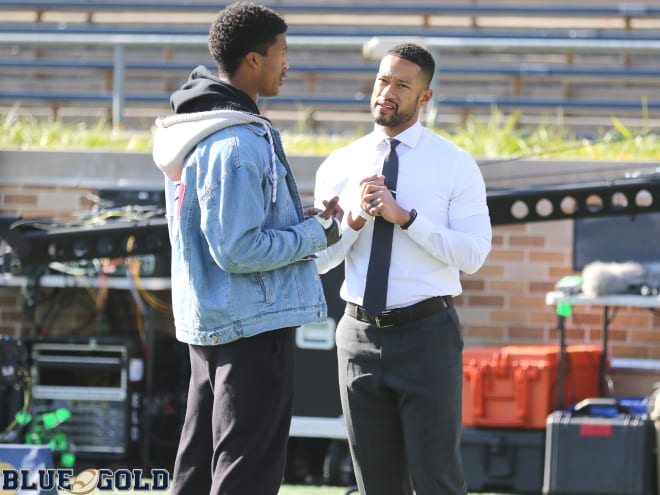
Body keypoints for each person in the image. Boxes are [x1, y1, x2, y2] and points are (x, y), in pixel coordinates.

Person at [151, 3, 341, 494]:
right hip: (252, 329)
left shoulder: (199, 128)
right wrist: (320, 235)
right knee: (247, 470)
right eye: (282, 52)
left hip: (212, 324)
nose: (287, 63)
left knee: (196, 466)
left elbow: (232, 232)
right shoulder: (237, 141)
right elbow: (238, 249)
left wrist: (305, 220)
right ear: (254, 61)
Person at [314, 43, 492, 495]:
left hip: (427, 334)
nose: (386, 92)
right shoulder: (340, 164)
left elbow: (473, 255)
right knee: (375, 484)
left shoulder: (455, 164)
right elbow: (318, 261)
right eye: (382, 80)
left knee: (437, 479)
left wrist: (406, 218)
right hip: (357, 336)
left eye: (401, 85)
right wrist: (352, 222)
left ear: (425, 98)